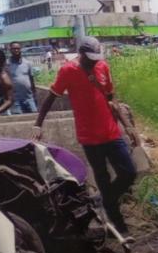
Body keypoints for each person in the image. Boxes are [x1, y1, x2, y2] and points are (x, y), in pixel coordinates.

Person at [33, 36, 139, 235]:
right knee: (102, 177)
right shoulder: (68, 70)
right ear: (80, 54)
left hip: (111, 133)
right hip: (89, 136)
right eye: (90, 58)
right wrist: (38, 124)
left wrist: (128, 127)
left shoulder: (102, 67)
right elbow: (51, 98)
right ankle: (119, 225)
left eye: (96, 57)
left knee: (129, 173)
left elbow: (111, 99)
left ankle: (105, 200)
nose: (94, 61)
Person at [7, 42, 39, 114]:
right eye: (14, 49)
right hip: (16, 99)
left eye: (18, 48)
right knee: (19, 118)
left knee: (34, 116)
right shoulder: (7, 65)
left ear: (21, 49)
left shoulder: (27, 63)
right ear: (10, 50)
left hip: (29, 98)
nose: (16, 50)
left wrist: (35, 95)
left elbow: (31, 79)